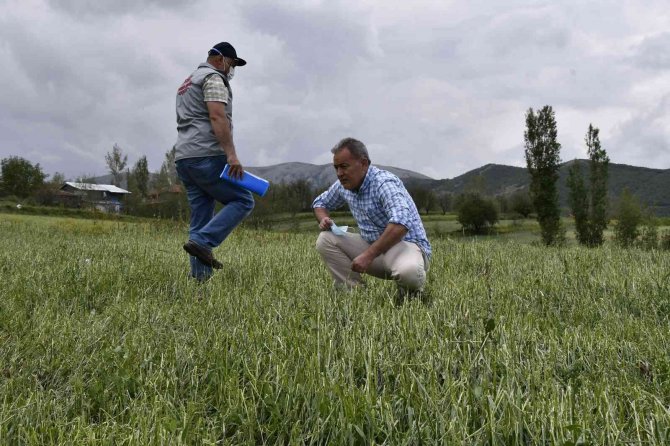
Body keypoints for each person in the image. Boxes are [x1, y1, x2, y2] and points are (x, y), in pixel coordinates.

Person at [312, 137, 431, 300]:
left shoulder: (384, 183)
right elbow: (320, 203)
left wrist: (368, 256)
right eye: (336, 168)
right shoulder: (345, 184)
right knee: (326, 239)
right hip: (373, 248)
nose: (339, 173)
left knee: (409, 273)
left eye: (344, 167)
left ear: (363, 163)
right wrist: (323, 218)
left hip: (403, 246)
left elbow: (401, 224)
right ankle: (355, 297)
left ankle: (409, 299)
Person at [174, 42, 254, 281]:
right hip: (207, 154)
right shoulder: (213, 79)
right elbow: (217, 115)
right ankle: (203, 241)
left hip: (184, 158)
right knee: (242, 200)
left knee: (200, 217)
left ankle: (200, 281)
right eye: (232, 63)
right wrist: (231, 155)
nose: (232, 69)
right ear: (220, 59)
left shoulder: (187, 82)